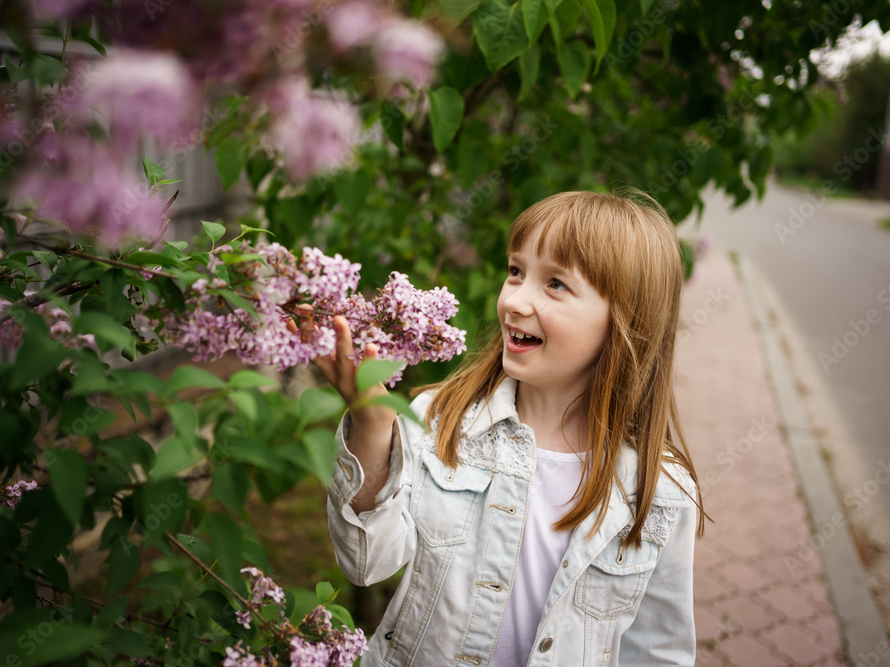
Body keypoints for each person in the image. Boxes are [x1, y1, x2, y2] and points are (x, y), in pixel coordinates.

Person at [295, 190, 709, 666]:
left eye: (555, 284)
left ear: (624, 320)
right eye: (516, 271)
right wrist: (371, 427)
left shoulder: (661, 491)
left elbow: (659, 650)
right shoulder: (438, 420)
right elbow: (367, 561)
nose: (515, 300)